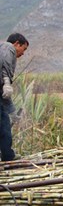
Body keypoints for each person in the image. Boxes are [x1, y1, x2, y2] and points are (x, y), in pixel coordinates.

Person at [0, 33, 29, 162]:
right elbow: (4, 66)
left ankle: (7, 155)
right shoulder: (7, 47)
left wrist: (13, 112)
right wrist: (6, 82)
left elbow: (4, 97)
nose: (23, 53)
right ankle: (7, 156)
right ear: (17, 43)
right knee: (4, 124)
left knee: (4, 121)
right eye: (24, 49)